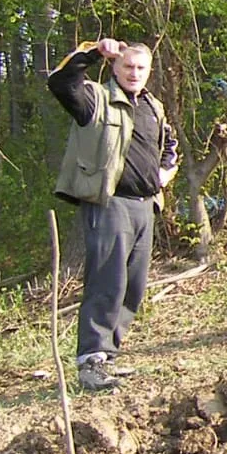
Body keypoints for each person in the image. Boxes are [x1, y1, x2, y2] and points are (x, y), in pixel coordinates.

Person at [48, 38, 180, 392]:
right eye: (127, 67)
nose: (134, 73)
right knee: (107, 283)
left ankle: (108, 356)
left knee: (133, 288)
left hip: (145, 206)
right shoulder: (95, 99)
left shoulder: (154, 107)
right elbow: (60, 82)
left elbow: (169, 146)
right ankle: (90, 360)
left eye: (141, 68)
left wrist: (164, 174)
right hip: (109, 205)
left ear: (149, 71)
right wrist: (92, 52)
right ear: (115, 68)